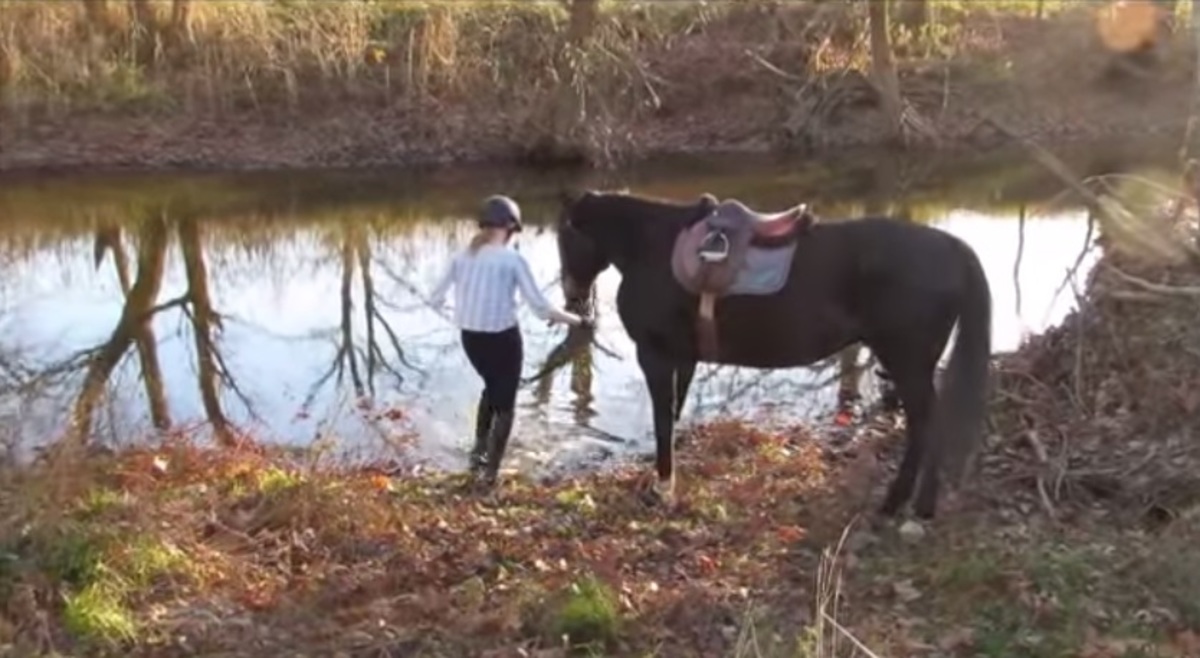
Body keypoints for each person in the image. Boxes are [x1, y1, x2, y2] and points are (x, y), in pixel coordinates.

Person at [428, 194, 593, 487]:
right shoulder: (512, 260)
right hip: (503, 340)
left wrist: (463, 314)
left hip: (471, 339)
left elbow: (435, 299)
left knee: (492, 388)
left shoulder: (460, 256)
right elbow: (541, 309)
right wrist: (579, 321)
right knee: (506, 405)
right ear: (510, 227)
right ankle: (490, 476)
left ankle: (478, 450)